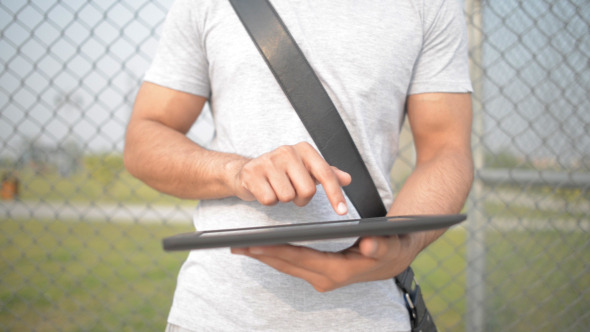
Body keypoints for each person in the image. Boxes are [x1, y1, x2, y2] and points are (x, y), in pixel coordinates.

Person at [124, 0, 474, 331]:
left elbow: (446, 149)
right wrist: (237, 171)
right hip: (218, 312)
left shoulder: (432, 5)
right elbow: (146, 137)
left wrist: (405, 246)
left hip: (370, 315)